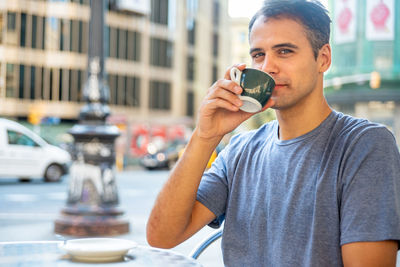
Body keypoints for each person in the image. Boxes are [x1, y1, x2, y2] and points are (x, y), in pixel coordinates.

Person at [146, 0, 400, 266]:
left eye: (285, 51)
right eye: (258, 55)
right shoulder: (239, 150)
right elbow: (161, 237)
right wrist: (205, 135)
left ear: (323, 59)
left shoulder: (366, 145)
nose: (268, 67)